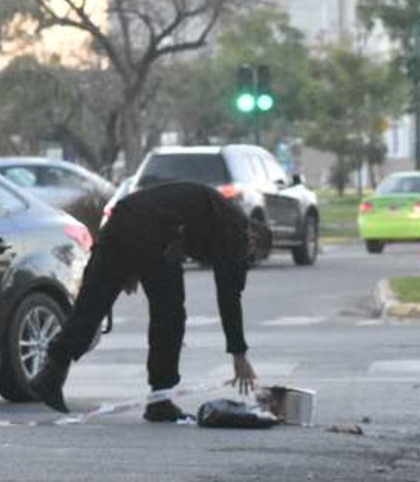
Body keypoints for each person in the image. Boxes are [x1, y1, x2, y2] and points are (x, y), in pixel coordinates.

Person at [35, 180, 258, 421]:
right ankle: (160, 399)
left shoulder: (216, 210)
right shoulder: (235, 227)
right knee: (169, 316)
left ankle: (52, 372)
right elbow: (229, 295)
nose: (247, 256)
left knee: (92, 304)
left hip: (122, 220)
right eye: (252, 250)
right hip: (152, 233)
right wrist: (239, 353)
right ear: (252, 236)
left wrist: (130, 268)